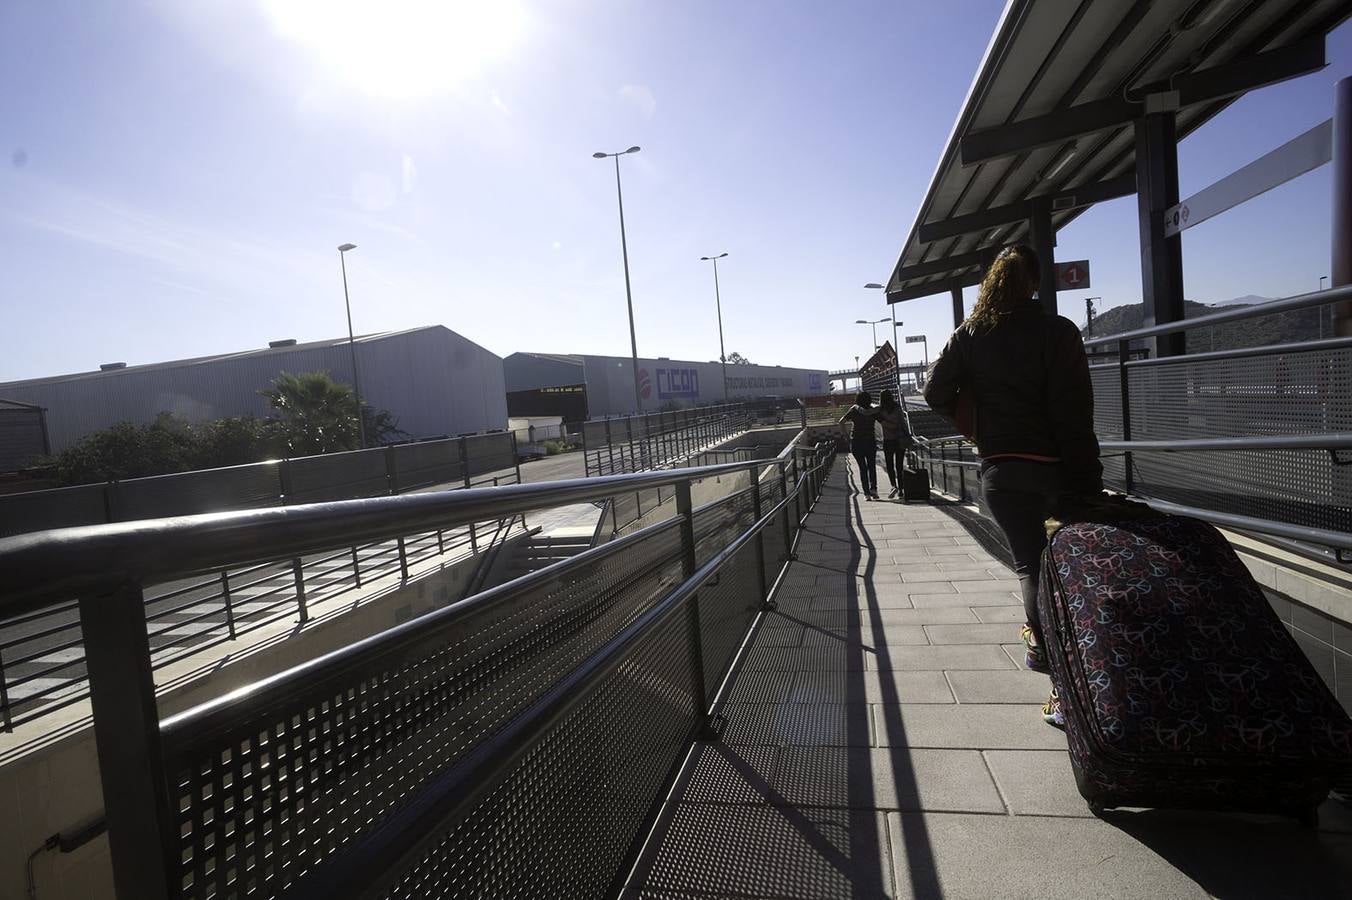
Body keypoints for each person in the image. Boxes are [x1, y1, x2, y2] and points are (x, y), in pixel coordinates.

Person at [923, 244, 1101, 726]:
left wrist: (974, 420)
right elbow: (1076, 411)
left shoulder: (972, 334)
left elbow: (933, 391)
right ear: (1037, 283)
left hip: (1003, 471)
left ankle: (1057, 680)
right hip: (1060, 469)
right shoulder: (1060, 332)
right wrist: (1088, 481)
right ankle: (1093, 679)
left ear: (991, 283)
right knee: (1075, 572)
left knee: (1031, 565)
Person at [838, 391, 880, 500]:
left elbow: (841, 422)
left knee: (863, 468)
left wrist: (846, 437)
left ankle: (866, 494)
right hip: (870, 441)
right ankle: (874, 490)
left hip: (856, 442)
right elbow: (883, 421)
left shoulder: (854, 410)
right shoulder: (872, 410)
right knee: (871, 466)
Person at [876, 389, 912, 499]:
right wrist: (908, 435)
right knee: (899, 465)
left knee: (890, 465)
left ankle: (893, 486)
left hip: (888, 440)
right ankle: (901, 489)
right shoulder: (897, 408)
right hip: (899, 439)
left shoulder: (880, 410)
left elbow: (868, 413)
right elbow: (903, 422)